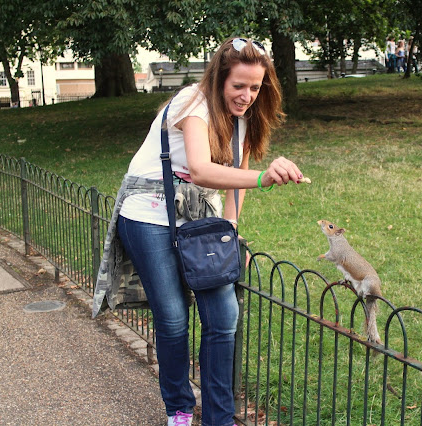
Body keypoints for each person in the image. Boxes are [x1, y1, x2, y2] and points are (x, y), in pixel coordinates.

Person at [93, 37, 305, 426]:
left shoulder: (244, 119)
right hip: (147, 214)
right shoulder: (194, 103)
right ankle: (178, 409)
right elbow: (203, 169)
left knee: (223, 317)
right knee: (173, 318)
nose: (246, 96)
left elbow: (233, 182)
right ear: (219, 79)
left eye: (255, 87)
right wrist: (265, 176)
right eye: (238, 86)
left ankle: (219, 419)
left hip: (197, 219)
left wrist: (232, 230)